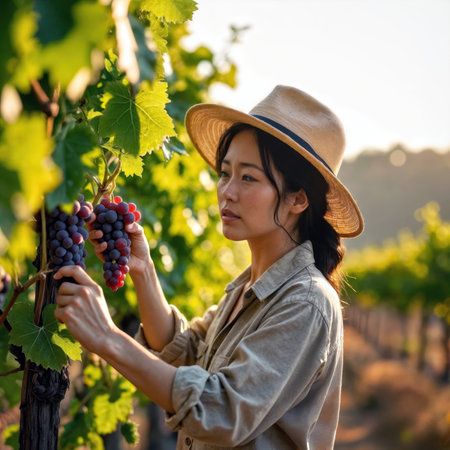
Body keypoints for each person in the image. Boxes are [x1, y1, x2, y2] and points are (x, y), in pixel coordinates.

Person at [54, 85, 364, 449]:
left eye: (248, 178)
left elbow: (219, 411)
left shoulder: (306, 303)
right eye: (225, 173)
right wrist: (143, 270)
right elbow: (186, 354)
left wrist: (106, 337)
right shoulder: (250, 289)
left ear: (298, 199)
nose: (227, 192)